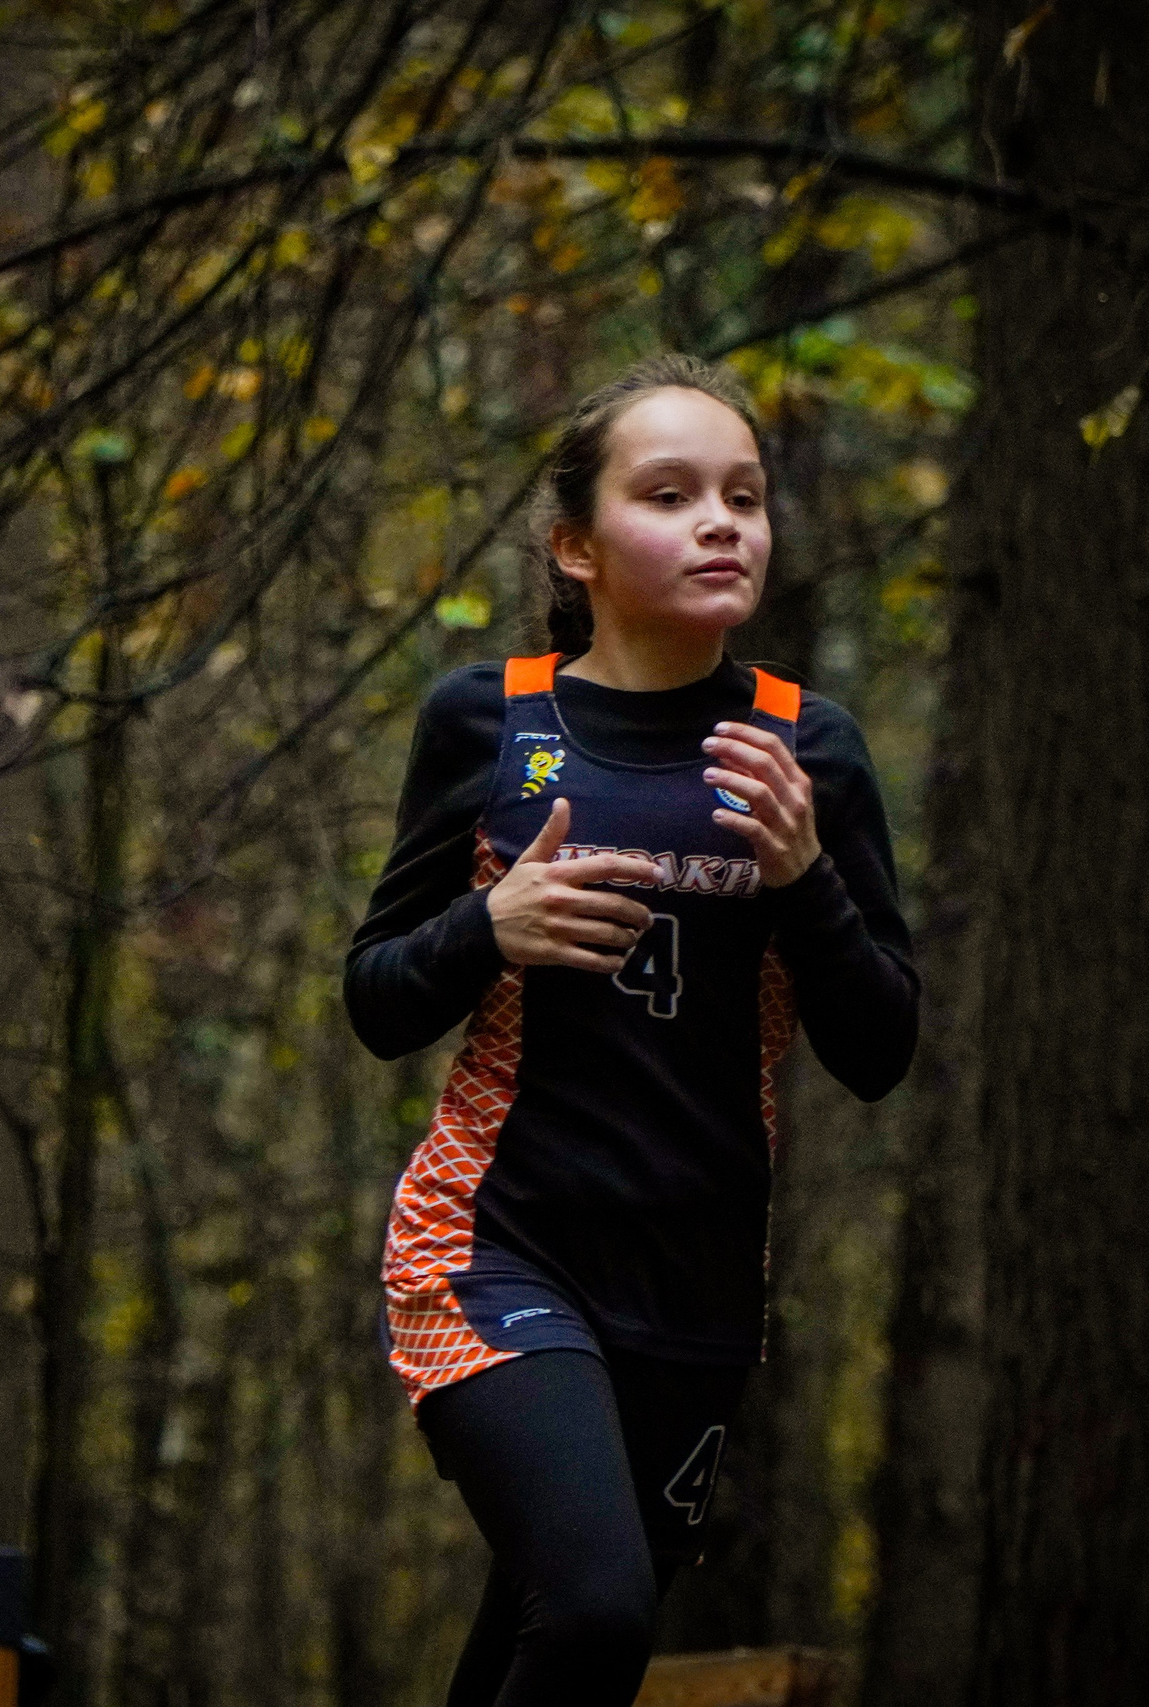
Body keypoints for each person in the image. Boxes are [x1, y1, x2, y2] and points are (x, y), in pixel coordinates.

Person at [343, 353, 919, 1707]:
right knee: (596, 1607)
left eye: (745, 496)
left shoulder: (806, 751)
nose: (722, 522)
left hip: (699, 1289)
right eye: (671, 495)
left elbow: (881, 1049)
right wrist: (493, 926)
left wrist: (805, 879)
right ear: (575, 545)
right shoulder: (491, 723)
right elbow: (376, 1000)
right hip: (495, 1249)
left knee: (558, 1644)